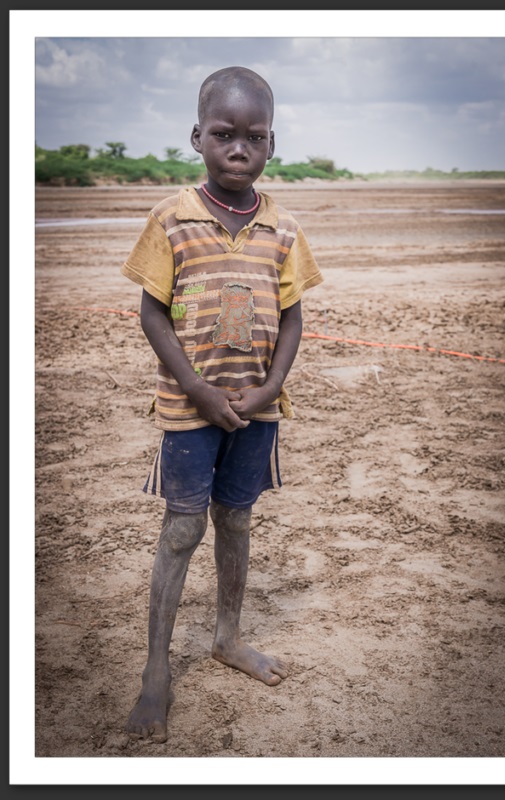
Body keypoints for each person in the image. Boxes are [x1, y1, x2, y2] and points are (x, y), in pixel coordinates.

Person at [120, 65, 324, 743]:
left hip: (257, 409)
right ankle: (156, 671)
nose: (238, 147)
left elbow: (292, 319)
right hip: (190, 408)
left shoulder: (283, 229)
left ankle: (227, 638)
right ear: (197, 137)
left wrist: (268, 388)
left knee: (235, 521)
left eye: (254, 136)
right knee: (182, 529)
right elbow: (151, 313)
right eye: (223, 133)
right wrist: (198, 390)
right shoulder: (171, 219)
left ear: (272, 145)